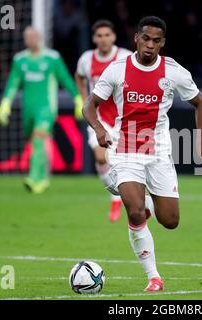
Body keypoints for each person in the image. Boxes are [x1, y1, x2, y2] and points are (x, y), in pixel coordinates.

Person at [83, 16, 202, 292]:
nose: (150, 45)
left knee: (170, 221)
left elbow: (201, 103)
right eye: (146, 39)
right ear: (136, 39)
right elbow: (89, 105)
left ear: (162, 42)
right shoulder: (117, 70)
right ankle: (153, 277)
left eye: (156, 41)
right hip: (124, 150)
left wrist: (201, 142)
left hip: (159, 154)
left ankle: (137, 196)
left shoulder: (173, 71)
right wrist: (98, 129)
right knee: (136, 212)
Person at [0, 27, 83, 194]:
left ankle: (34, 178)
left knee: (39, 138)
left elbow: (65, 79)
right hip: (28, 109)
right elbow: (13, 83)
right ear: (24, 39)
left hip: (46, 107)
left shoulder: (52, 58)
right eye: (28, 37)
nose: (31, 40)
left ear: (40, 38)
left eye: (34, 36)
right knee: (39, 142)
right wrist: (5, 103)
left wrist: (77, 98)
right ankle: (44, 177)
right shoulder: (20, 60)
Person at [75, 19, 132, 222]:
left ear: (114, 37)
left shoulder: (125, 57)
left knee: (125, 162)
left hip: (123, 118)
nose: (103, 39)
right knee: (101, 157)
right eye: (99, 36)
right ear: (94, 38)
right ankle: (114, 197)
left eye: (107, 35)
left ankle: (132, 198)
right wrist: (82, 100)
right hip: (98, 118)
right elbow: (79, 77)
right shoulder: (86, 59)